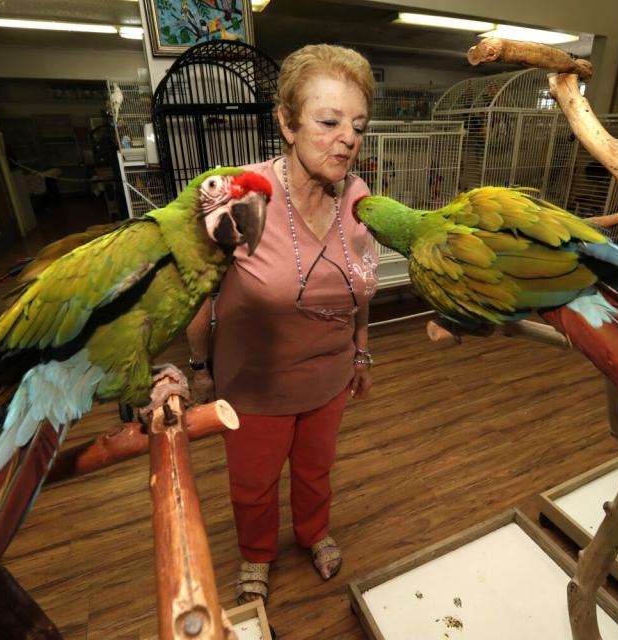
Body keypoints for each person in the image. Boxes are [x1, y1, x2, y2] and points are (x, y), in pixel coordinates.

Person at [185, 44, 378, 604]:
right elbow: (197, 294)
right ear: (287, 124)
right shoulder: (240, 196)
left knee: (317, 471)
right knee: (253, 484)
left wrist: (361, 352)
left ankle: (314, 531)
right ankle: (256, 554)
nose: (348, 137)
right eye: (329, 121)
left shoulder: (360, 199)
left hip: (329, 378)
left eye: (358, 125)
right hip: (254, 384)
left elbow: (362, 285)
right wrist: (199, 368)